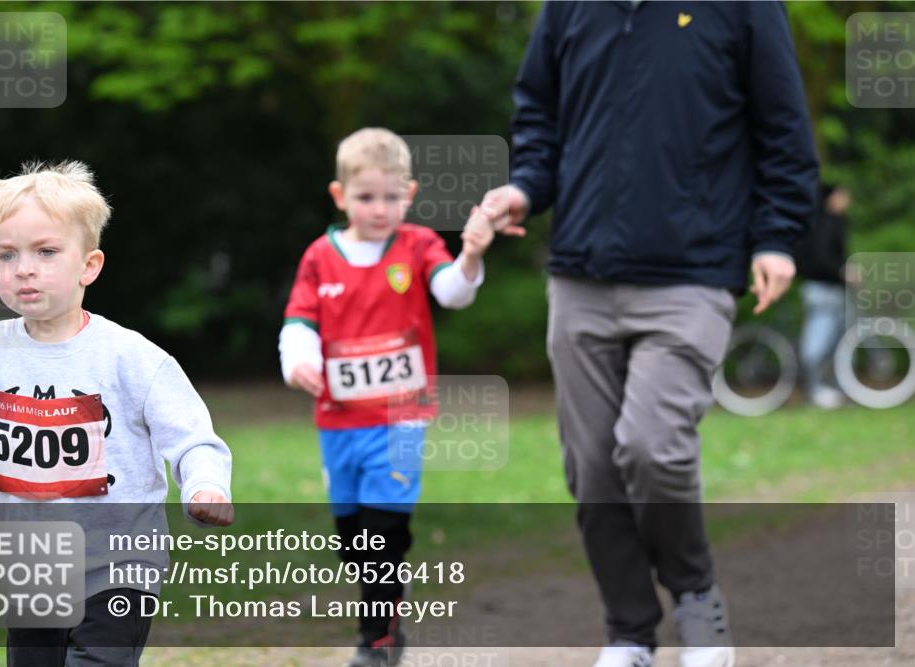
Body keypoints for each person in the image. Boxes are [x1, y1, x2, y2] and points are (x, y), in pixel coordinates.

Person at [480, 3, 818, 666]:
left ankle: (696, 596)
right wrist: (525, 186)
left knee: (652, 448)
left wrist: (776, 236)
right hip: (580, 271)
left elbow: (783, 127)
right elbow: (539, 116)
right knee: (594, 467)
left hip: (692, 271)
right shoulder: (569, 8)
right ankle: (630, 631)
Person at [0, 161, 234, 667]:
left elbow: (192, 437)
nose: (23, 267)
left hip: (120, 562)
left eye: (45, 252)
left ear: (89, 265)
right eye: (6, 254)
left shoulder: (132, 358)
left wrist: (205, 486)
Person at [279, 128, 494, 667]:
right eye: (366, 197)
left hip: (401, 417)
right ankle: (388, 619)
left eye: (392, 197)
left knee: (384, 530)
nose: (380, 209)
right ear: (339, 196)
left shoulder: (418, 245)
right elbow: (299, 322)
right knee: (354, 541)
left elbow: (452, 291)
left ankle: (375, 640)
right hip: (338, 422)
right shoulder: (319, 258)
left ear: (410, 194)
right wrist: (297, 361)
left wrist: (469, 257)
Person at [795, 183, 851, 409]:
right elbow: (822, 257)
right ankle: (814, 389)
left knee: (835, 341)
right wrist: (841, 271)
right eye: (843, 194)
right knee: (817, 343)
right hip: (823, 290)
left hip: (826, 289)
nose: (847, 199)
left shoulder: (821, 221)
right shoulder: (825, 223)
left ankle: (828, 388)